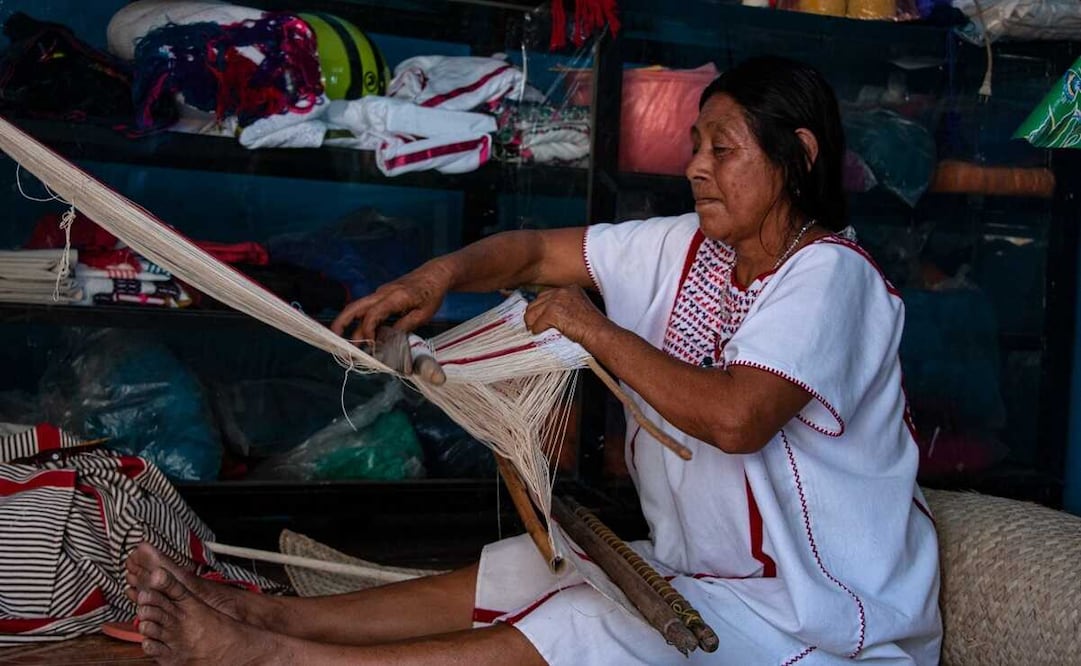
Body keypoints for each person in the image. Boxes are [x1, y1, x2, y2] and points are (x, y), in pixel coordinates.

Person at [127, 56, 942, 665]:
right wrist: (432, 278)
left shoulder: (830, 276)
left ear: (794, 155)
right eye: (694, 144)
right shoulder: (684, 248)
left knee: (586, 625)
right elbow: (531, 251)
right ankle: (268, 618)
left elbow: (736, 418)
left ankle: (282, 660)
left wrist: (596, 331)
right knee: (528, 568)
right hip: (719, 587)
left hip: (823, 620)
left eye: (721, 148)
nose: (694, 165)